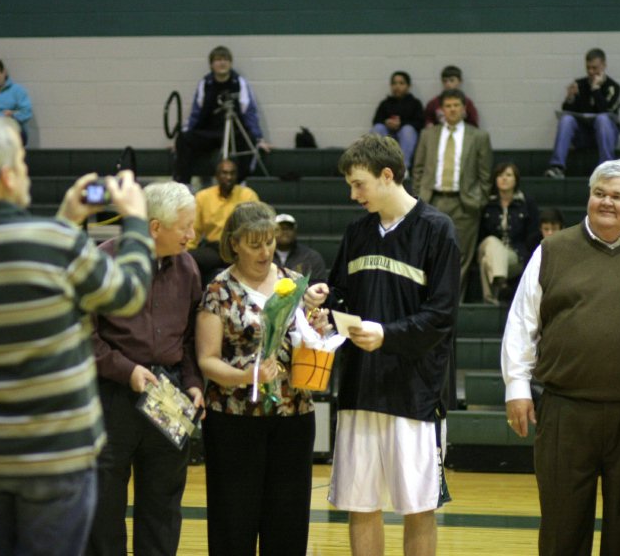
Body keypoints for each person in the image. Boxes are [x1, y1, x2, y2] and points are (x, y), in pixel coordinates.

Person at [0, 115, 155, 556]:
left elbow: (26, 262)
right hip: (53, 457)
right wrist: (136, 222)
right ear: (9, 176)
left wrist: (67, 218)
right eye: (23, 160)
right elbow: (129, 294)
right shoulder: (53, 243)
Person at [501, 159, 620, 556]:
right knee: (561, 523)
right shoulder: (552, 250)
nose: (607, 202)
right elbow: (523, 321)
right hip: (564, 409)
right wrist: (517, 387)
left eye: (618, 196)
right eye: (599, 194)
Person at [305, 134, 459, 556]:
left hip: (415, 393)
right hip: (359, 387)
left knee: (419, 507)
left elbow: (442, 315)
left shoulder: (437, 230)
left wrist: (387, 335)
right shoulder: (357, 233)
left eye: (359, 184)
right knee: (361, 503)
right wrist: (325, 302)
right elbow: (341, 295)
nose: (354, 195)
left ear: (386, 175)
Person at [85, 181, 204, 556]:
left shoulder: (188, 268)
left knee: (164, 505)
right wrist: (126, 370)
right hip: (111, 394)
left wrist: (193, 382)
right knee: (104, 504)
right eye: (185, 226)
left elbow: (189, 338)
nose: (191, 234)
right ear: (154, 227)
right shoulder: (102, 262)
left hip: (168, 392)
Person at [196, 201, 316, 556]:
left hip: (293, 416)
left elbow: (308, 343)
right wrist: (246, 376)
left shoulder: (295, 285)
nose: (265, 252)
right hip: (234, 419)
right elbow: (206, 360)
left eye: (270, 242)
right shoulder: (218, 290)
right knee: (234, 521)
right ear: (234, 243)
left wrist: (319, 334)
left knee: (288, 522)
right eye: (254, 244)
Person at [412, 87, 493, 299]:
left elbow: (486, 175)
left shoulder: (478, 136)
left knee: (461, 256)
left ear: (464, 109)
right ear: (441, 110)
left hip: (464, 203)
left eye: (456, 105)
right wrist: (419, 196)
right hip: (432, 201)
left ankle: (453, 304)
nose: (452, 110)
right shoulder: (428, 134)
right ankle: (429, 301)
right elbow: (418, 169)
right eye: (448, 106)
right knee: (428, 253)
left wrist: (479, 200)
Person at [173, 45, 270, 184]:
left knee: (249, 140)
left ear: (230, 63)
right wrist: (182, 136)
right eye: (218, 60)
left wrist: (259, 138)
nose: (222, 63)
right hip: (209, 132)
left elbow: (249, 111)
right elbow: (196, 112)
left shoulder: (239, 82)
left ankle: (240, 184)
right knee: (183, 139)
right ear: (212, 65)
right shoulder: (205, 83)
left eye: (225, 59)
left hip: (233, 133)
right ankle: (184, 186)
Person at [544, 48, 620, 179]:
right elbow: (569, 110)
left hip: (605, 136)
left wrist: (596, 89)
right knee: (566, 119)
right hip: (584, 136)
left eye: (595, 68)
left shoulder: (613, 87)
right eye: (588, 68)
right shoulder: (580, 85)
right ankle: (557, 167)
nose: (591, 72)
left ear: (604, 65)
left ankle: (607, 168)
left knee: (602, 119)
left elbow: (607, 111)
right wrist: (570, 98)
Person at [477, 162, 539, 305]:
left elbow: (533, 233)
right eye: (500, 175)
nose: (504, 178)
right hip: (487, 247)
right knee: (492, 242)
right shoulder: (487, 203)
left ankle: (491, 299)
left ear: (516, 179)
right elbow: (481, 234)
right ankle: (502, 283)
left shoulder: (526, 203)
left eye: (508, 175)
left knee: (487, 262)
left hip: (514, 254)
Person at [188, 159, 259, 283]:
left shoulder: (248, 195)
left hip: (239, 247)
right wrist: (186, 252)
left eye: (232, 173)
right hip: (215, 248)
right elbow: (195, 229)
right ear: (217, 176)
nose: (229, 177)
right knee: (188, 259)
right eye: (224, 173)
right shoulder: (203, 196)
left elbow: (258, 224)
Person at [370, 71, 424, 170]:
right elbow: (376, 121)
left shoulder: (415, 103)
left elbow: (420, 123)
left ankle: (402, 168)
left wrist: (401, 124)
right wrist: (386, 123)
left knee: (408, 130)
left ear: (408, 86)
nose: (397, 86)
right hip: (388, 135)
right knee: (378, 128)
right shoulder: (385, 103)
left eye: (401, 83)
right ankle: (377, 166)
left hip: (406, 138)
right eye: (394, 83)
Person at [272, 213, 328, 283]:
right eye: (280, 228)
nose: (285, 231)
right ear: (272, 232)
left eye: (289, 228)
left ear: (295, 231)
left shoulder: (311, 257)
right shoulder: (264, 257)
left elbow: (320, 286)